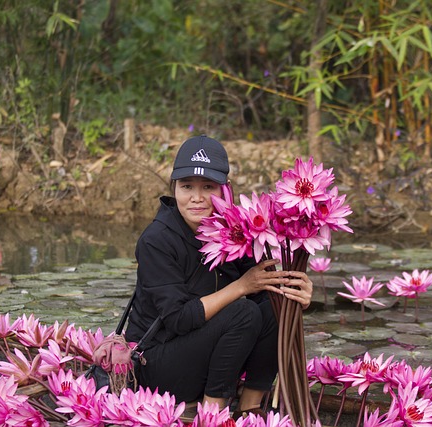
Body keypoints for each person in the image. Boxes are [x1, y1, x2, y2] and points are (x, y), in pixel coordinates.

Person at [125, 135, 313, 416]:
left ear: (226, 190)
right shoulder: (156, 240)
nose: (197, 198)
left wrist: (298, 295)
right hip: (155, 366)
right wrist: (240, 286)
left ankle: (251, 407)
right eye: (187, 186)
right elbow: (177, 319)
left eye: (208, 187)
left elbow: (264, 290)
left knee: (276, 301)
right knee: (243, 311)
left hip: (208, 354)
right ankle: (213, 413)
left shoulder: (235, 227)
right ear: (174, 187)